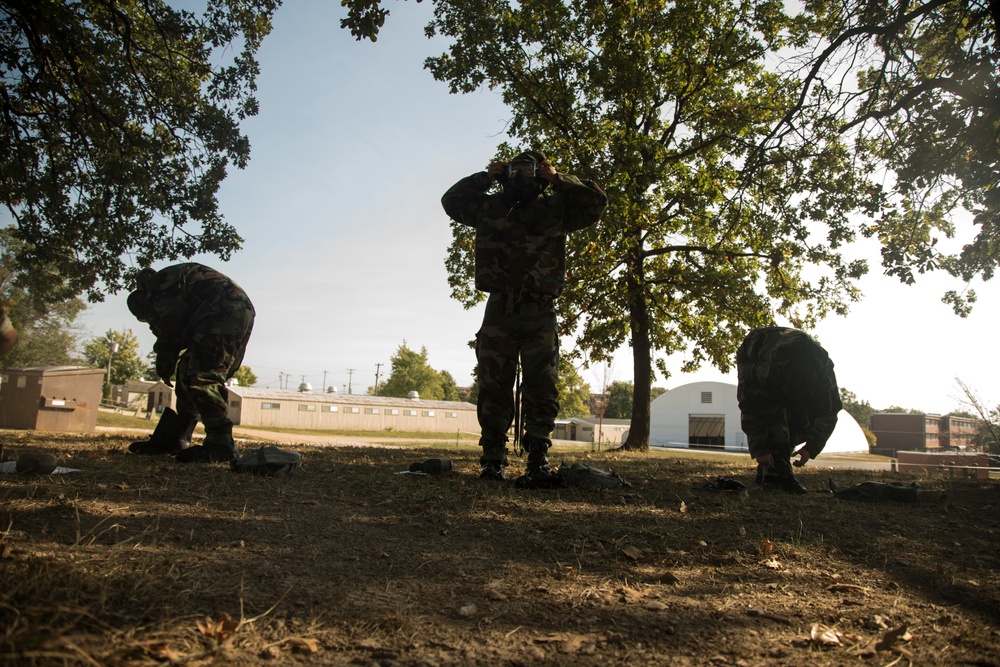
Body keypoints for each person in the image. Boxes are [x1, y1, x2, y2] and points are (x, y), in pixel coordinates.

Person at [442, 150, 608, 486]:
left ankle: (538, 458)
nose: (522, 174)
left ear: (540, 173)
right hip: (500, 306)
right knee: (493, 385)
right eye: (515, 169)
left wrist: (558, 179)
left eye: (529, 169)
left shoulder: (556, 207)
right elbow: (452, 201)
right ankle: (492, 459)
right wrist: (486, 177)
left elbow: (596, 203)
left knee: (541, 385)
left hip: (540, 308)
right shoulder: (490, 207)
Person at [126, 263, 255, 463]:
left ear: (143, 301)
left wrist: (164, 363)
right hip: (237, 311)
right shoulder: (175, 279)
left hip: (220, 313)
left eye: (149, 318)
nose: (152, 323)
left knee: (201, 376)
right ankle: (176, 436)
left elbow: (170, 329)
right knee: (188, 368)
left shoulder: (159, 288)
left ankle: (221, 445)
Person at [736, 326, 842, 494]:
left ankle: (776, 469)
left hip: (792, 356)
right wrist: (760, 449)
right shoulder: (764, 371)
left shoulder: (824, 377)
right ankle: (774, 473)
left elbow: (829, 412)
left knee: (799, 422)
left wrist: (812, 447)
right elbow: (751, 406)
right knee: (774, 415)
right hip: (755, 348)